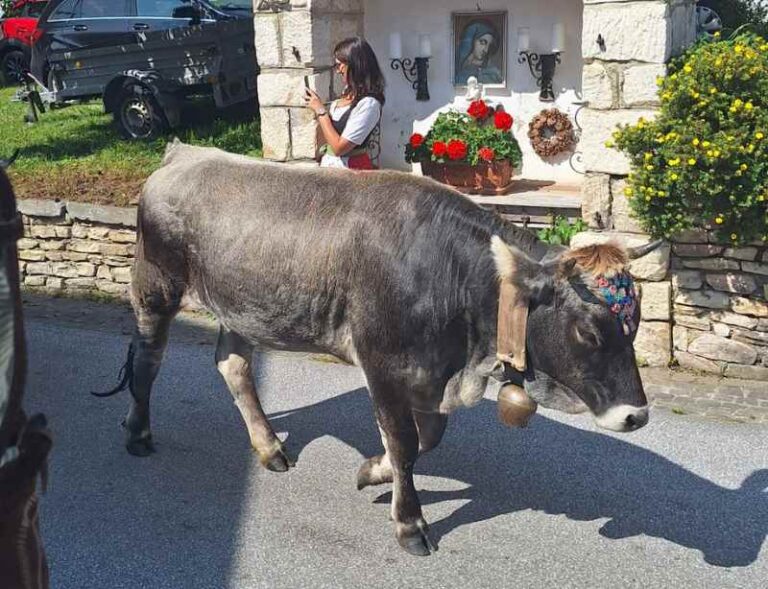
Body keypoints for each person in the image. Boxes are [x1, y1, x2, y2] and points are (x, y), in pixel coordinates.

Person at [304, 37, 385, 170]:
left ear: (355, 65)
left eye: (340, 65)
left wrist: (321, 111)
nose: (338, 70)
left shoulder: (369, 104)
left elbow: (338, 148)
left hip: (352, 173)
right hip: (330, 168)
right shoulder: (346, 93)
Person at [456, 19, 503, 85]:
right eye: (482, 42)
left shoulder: (492, 73)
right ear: (471, 41)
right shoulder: (455, 66)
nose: (486, 50)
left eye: (489, 46)